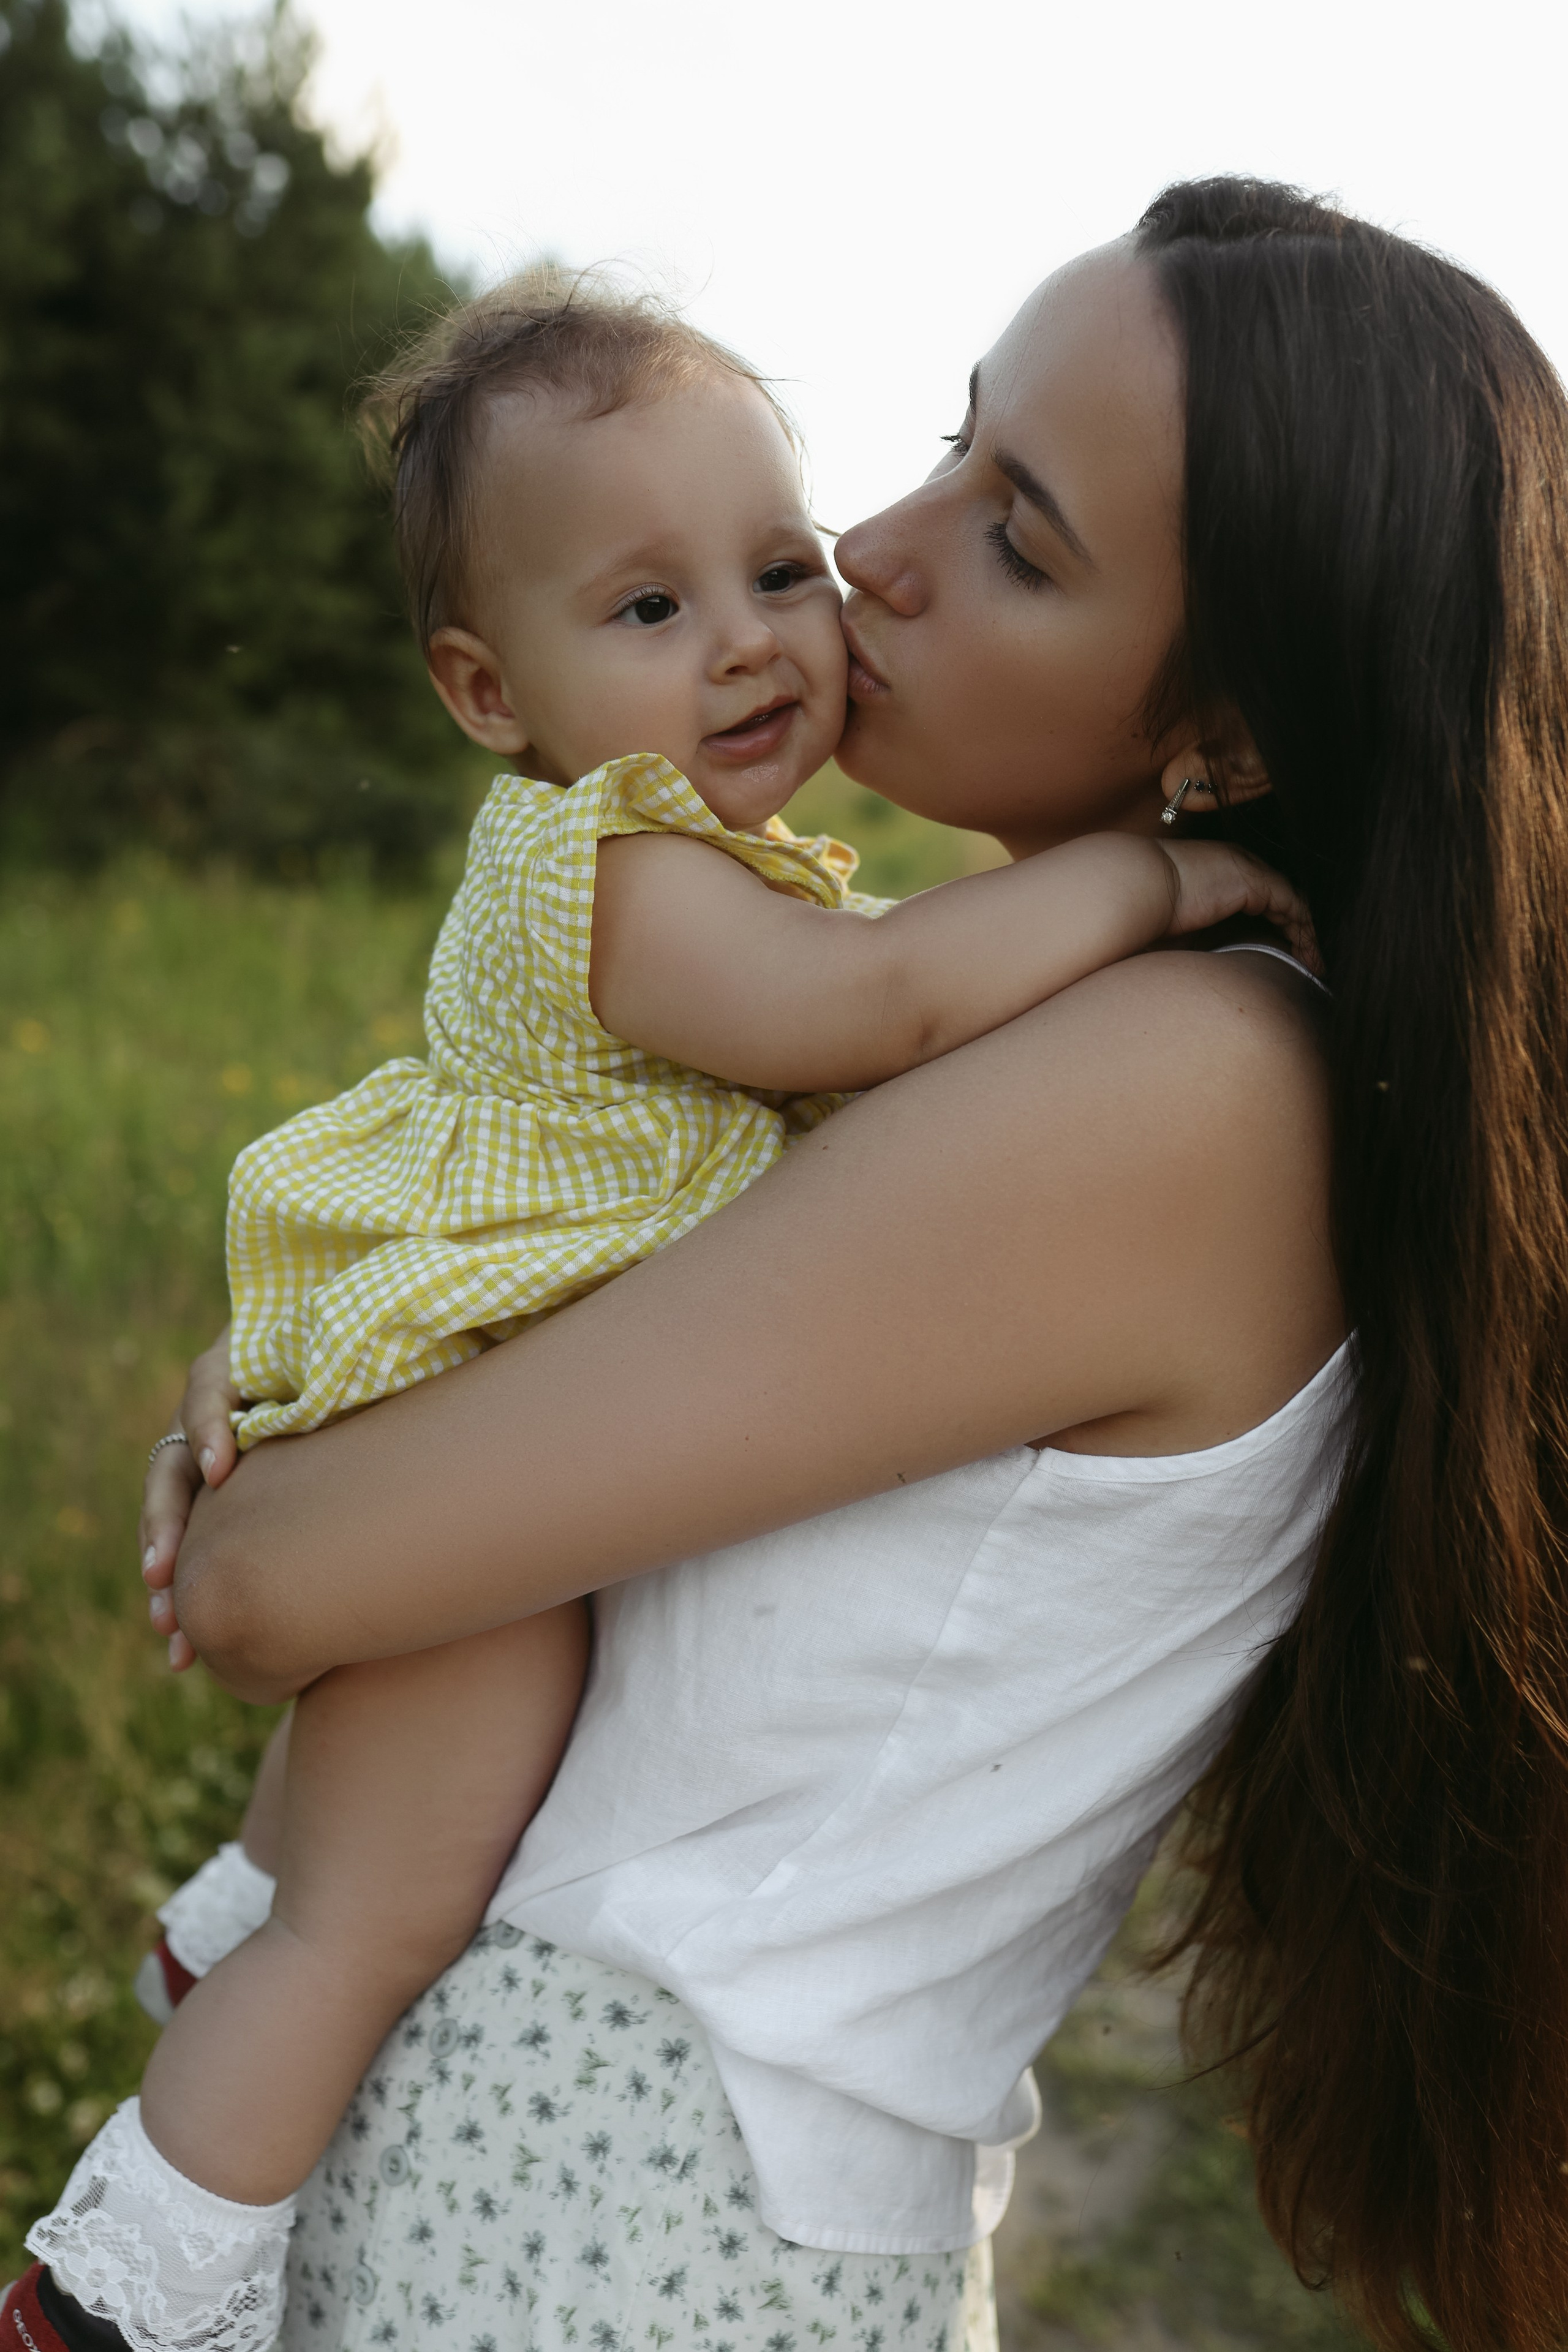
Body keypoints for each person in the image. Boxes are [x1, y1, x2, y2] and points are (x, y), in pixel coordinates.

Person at [14, 169, 1564, 2352]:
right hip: (607, 2196)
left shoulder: (1184, 1088)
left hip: (607, 2218)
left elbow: (274, 1585)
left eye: (1020, 534)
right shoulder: (1121, 1056)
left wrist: (295, 1447)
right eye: (946, 441)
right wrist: (323, 1342)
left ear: (1232, 736)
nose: (876, 554)